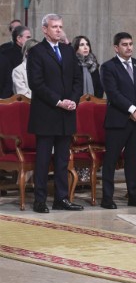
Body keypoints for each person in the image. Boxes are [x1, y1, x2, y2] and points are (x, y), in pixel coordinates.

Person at [27, 13, 83, 213]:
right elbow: (36, 83)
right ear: (44, 29)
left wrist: (73, 101)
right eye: (54, 27)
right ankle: (40, 200)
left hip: (66, 113)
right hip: (46, 113)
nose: (58, 30)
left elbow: (78, 79)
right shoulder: (37, 52)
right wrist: (59, 101)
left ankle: (62, 198)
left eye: (60, 26)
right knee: (43, 160)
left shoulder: (68, 51)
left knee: (62, 160)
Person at [100, 32, 136, 209]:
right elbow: (113, 93)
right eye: (124, 44)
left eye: (131, 44)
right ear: (116, 47)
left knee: (132, 159)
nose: (129, 47)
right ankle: (107, 197)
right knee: (111, 159)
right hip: (118, 120)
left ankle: (133, 195)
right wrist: (131, 109)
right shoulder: (108, 67)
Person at [0, 26, 32, 98]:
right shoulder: (6, 54)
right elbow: (7, 80)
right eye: (28, 37)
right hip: (13, 96)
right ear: (18, 38)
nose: (30, 40)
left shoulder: (30, 53)